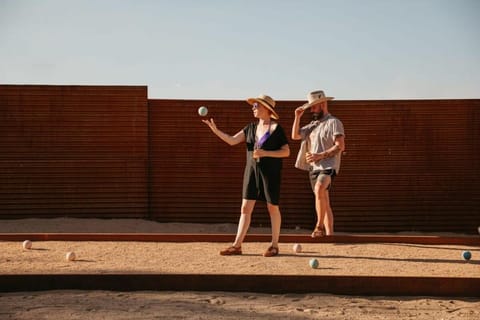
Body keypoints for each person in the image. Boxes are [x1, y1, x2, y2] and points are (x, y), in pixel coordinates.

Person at [202, 94, 290, 257]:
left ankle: (274, 245)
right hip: (251, 172)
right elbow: (232, 140)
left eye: (256, 106)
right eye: (254, 106)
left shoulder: (277, 129)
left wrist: (265, 153)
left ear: (266, 109)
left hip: (270, 173)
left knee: (272, 208)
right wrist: (216, 131)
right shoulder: (250, 127)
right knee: (245, 208)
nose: (253, 108)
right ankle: (237, 246)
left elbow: (286, 152)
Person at [291, 90, 345, 237]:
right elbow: (295, 136)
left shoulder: (334, 122)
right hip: (314, 168)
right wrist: (297, 117)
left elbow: (340, 146)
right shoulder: (312, 125)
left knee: (320, 187)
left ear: (322, 104)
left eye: (314, 107)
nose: (312, 110)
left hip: (329, 166)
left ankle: (318, 227)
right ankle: (330, 235)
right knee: (324, 200)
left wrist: (319, 156)